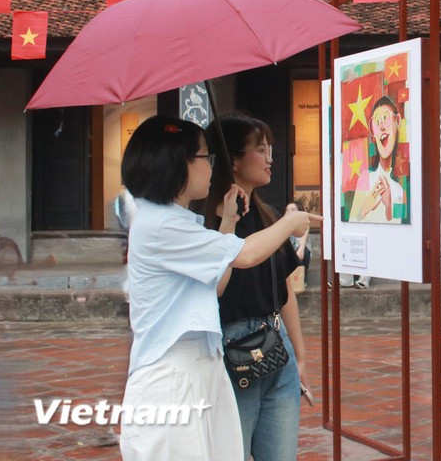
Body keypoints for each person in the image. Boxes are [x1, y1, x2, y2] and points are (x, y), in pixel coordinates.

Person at [119, 115, 312, 460]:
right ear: (179, 163)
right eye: (205, 157)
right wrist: (290, 222)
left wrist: (228, 223)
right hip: (175, 376)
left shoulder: (173, 221)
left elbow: (218, 283)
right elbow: (246, 255)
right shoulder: (163, 227)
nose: (212, 165)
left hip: (201, 367)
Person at [202, 113, 311, 461]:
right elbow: (223, 277)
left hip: (277, 348)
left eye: (270, 150)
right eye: (260, 149)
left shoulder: (267, 216)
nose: (269, 158)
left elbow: (284, 291)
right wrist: (228, 222)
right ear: (233, 159)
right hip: (232, 351)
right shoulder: (207, 221)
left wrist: (300, 355)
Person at [349, 96, 406, 224]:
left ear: (397, 121)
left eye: (385, 118)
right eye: (376, 122)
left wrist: (389, 207)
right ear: (373, 137)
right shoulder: (365, 178)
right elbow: (352, 222)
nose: (381, 126)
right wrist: (365, 207)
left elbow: (399, 226)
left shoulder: (399, 190)